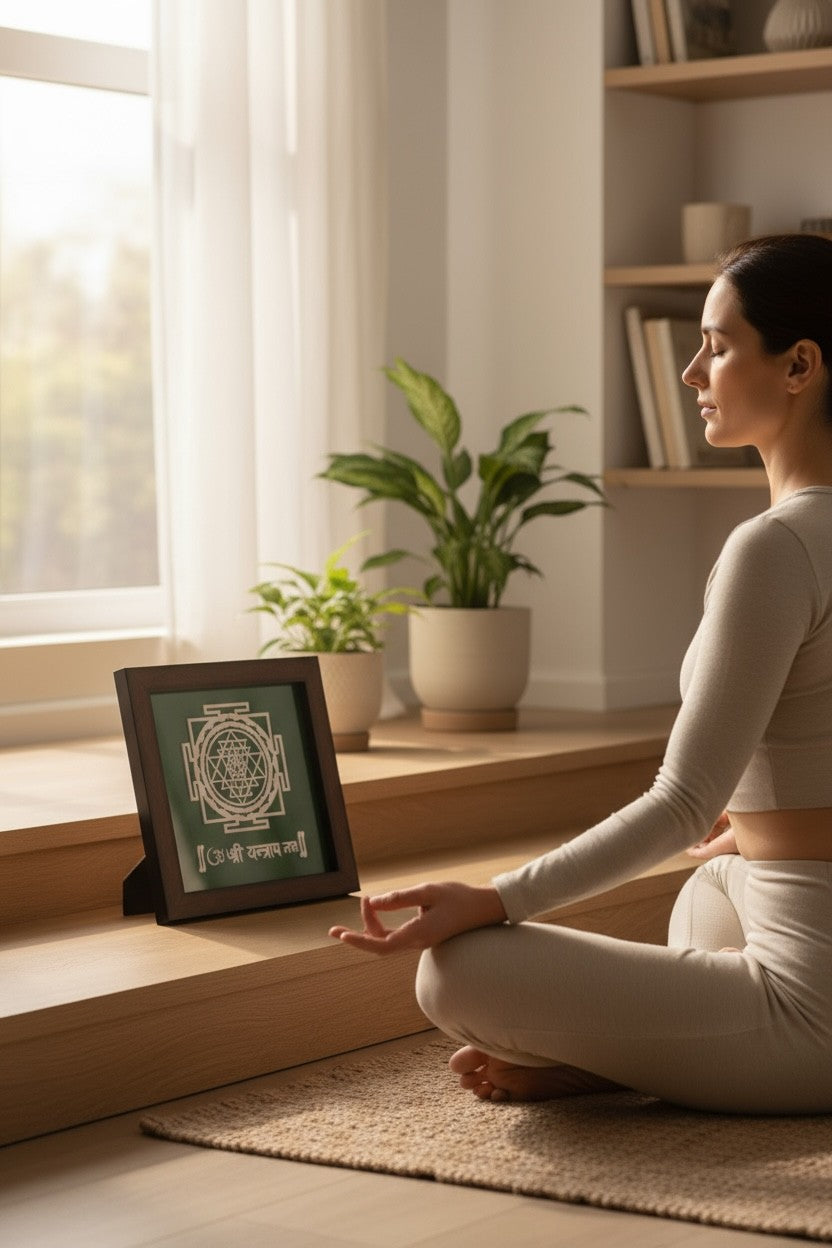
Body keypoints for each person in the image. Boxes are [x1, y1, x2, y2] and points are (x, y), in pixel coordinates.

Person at [330, 233, 832, 1114]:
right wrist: (761, 824)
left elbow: (679, 802)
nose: (691, 373)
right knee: (715, 883)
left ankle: (652, 1060)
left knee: (457, 973)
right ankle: (640, 1059)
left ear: (799, 366)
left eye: (716, 346)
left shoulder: (777, 547)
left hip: (813, 1017)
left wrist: (492, 898)